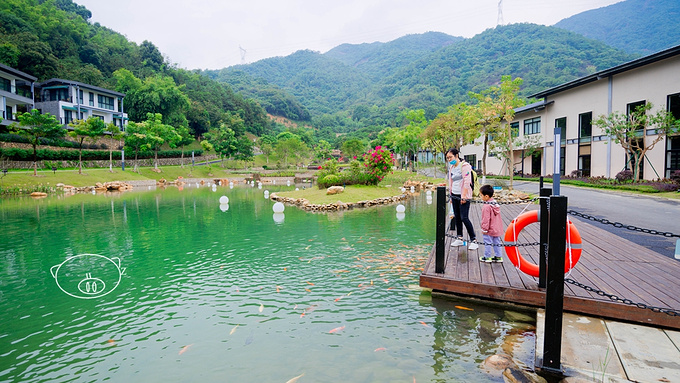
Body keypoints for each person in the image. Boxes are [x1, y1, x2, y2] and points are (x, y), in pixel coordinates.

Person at [446, 148, 477, 250]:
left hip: (463, 196)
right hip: (454, 195)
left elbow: (467, 182)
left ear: (456, 155)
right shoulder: (451, 168)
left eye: (450, 157)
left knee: (464, 217)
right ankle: (459, 237)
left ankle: (473, 240)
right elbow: (451, 182)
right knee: (457, 217)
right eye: (447, 158)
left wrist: (464, 196)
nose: (449, 159)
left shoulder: (464, 166)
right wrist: (451, 195)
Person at [479, 184, 504, 263]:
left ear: (486, 196)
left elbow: (486, 219)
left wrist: (484, 229)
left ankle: (487, 257)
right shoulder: (495, 204)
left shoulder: (486, 206)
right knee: (497, 242)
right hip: (497, 228)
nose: (480, 196)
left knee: (488, 242)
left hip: (489, 229)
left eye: (481, 195)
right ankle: (498, 256)